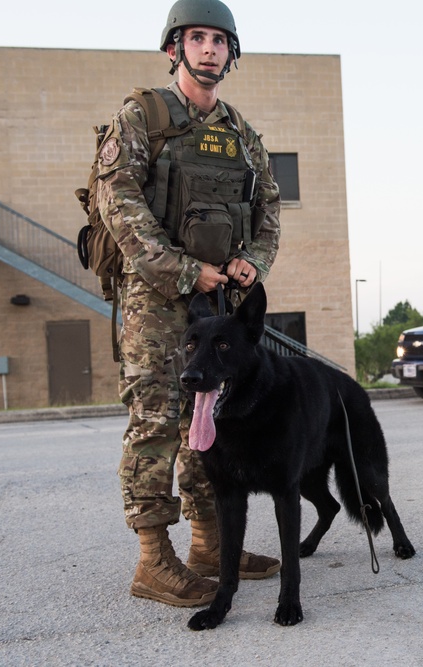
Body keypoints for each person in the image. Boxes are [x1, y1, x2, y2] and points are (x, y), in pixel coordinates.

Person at [95, 0, 282, 607]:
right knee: (156, 421)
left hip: (217, 301)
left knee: (208, 424)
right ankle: (153, 561)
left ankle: (209, 544)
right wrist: (183, 271)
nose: (208, 49)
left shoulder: (240, 134)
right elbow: (118, 204)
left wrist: (251, 259)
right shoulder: (142, 116)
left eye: (218, 40)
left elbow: (268, 209)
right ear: (174, 48)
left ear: (231, 53)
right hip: (156, 301)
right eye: (195, 38)